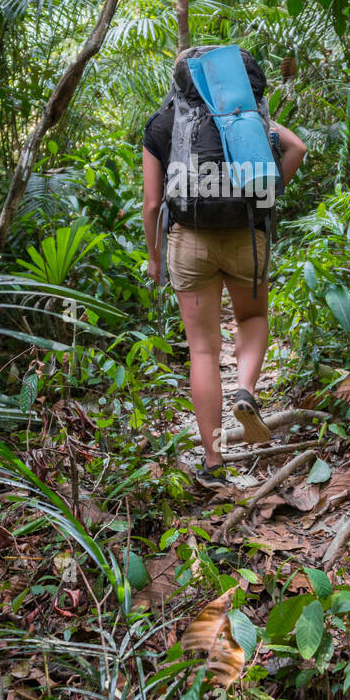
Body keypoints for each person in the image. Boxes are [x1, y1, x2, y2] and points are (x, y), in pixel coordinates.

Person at [142, 47, 306, 484]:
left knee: (202, 350)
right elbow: (296, 147)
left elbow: (153, 202)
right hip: (245, 240)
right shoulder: (249, 118)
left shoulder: (164, 123)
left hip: (189, 242)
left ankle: (214, 464)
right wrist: (265, 200)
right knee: (252, 317)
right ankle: (247, 390)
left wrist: (155, 258)